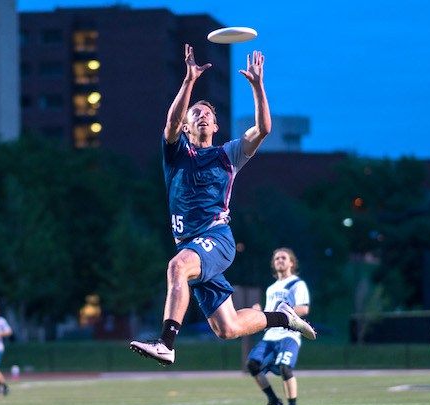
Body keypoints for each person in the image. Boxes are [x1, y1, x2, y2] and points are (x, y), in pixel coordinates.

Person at [130, 44, 315, 366]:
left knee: (177, 267)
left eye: (208, 115)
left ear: (216, 126)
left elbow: (264, 129)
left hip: (216, 238)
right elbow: (171, 121)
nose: (202, 116)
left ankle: (166, 343)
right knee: (227, 328)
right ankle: (283, 317)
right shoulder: (176, 153)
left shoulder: (228, 155)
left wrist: (257, 86)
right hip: (191, 245)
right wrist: (189, 80)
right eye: (196, 114)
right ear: (186, 127)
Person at [246, 248, 310, 405]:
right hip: (270, 336)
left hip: (289, 334)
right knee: (252, 364)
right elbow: (270, 314)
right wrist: (259, 314)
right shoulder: (271, 288)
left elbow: (303, 309)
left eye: (283, 257)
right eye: (276, 258)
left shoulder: (297, 283)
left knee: (285, 367)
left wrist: (283, 313)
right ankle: (273, 401)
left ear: (291, 262)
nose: (280, 260)